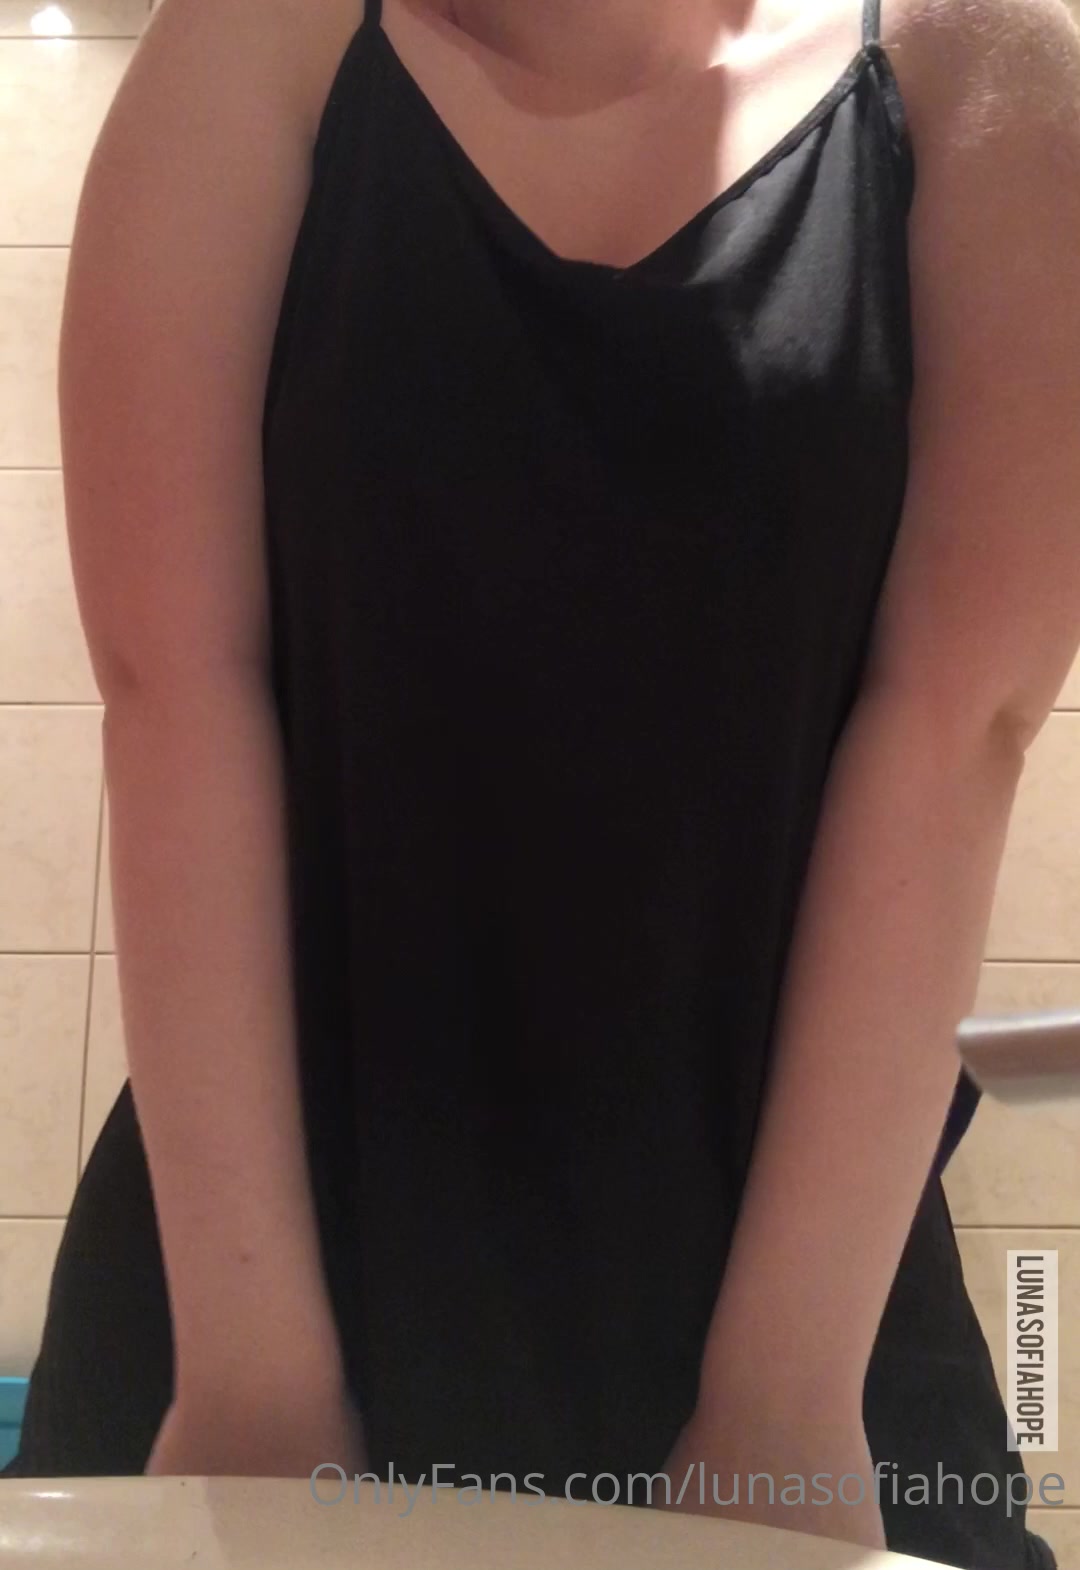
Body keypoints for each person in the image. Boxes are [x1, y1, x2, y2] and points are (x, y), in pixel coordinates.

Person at [4, 0, 1078, 1564]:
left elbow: (955, 724)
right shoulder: (256, 37)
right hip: (253, 1256)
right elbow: (176, 689)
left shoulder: (979, 72)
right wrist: (255, 1374)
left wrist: (779, 1395)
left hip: (807, 1293)